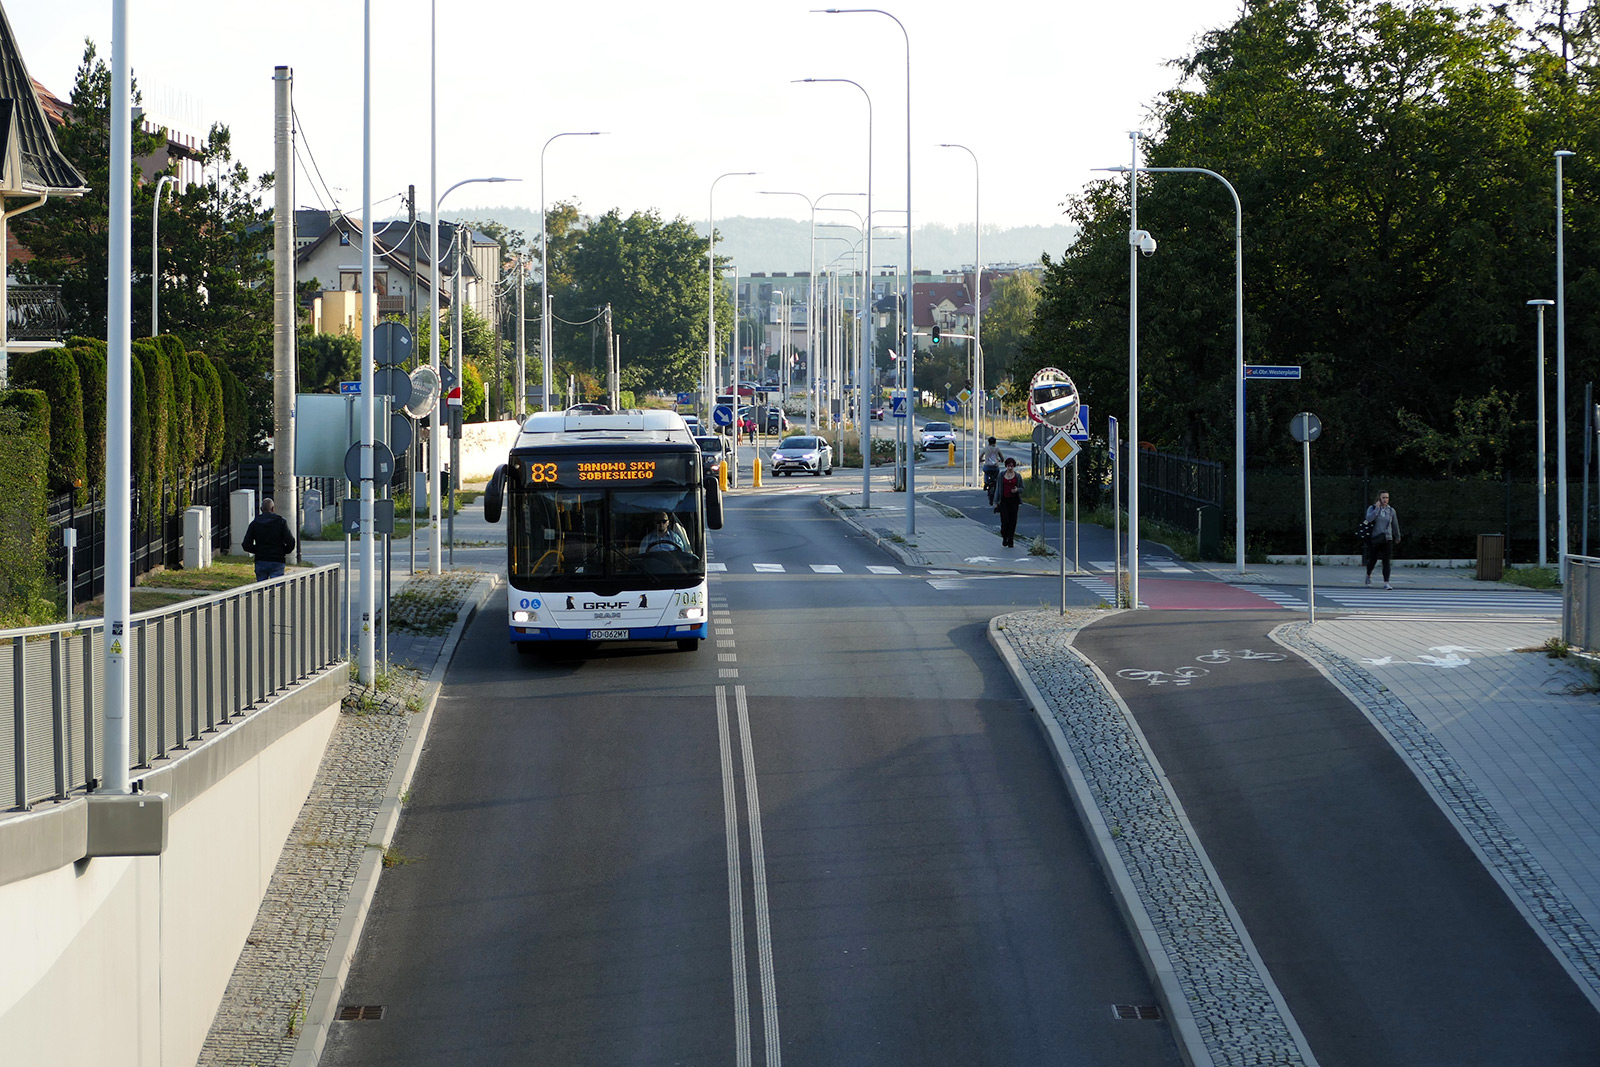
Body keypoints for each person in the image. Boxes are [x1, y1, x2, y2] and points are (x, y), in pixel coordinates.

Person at [241, 498, 296, 581]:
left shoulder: (255, 523)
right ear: (273, 509)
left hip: (261, 559)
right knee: (277, 586)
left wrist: (258, 550)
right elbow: (290, 541)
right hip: (277, 559)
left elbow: (246, 544)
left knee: (261, 587)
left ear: (261, 509)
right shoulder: (281, 522)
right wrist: (283, 551)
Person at [1363, 490, 1400, 588]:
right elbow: (1368, 519)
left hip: (1387, 538)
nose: (1385, 500)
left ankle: (1386, 582)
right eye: (1383, 497)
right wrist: (1376, 510)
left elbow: (1395, 524)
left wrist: (1397, 536)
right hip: (1375, 538)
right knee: (1373, 559)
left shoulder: (1391, 510)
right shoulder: (1373, 508)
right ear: (1379, 498)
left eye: (1387, 498)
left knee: (1386, 561)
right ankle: (1368, 575)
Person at [996, 457, 1024, 548]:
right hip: (1004, 500)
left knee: (1013, 521)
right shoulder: (1001, 475)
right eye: (1008, 466)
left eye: (1012, 466)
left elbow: (1022, 488)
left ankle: (1010, 539)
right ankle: (1005, 537)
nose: (1010, 468)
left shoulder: (1017, 476)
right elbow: (998, 488)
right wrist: (996, 501)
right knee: (1005, 521)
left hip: (1014, 501)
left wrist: (1017, 490)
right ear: (1006, 466)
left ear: (1014, 466)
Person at [981, 436, 1003, 506]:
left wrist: (981, 460)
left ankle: (986, 482)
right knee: (997, 475)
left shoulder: (986, 449)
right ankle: (996, 484)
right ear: (995, 442)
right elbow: (1002, 458)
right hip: (995, 467)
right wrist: (1001, 460)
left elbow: (980, 456)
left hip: (988, 466)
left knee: (985, 472)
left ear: (988, 442)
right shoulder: (997, 449)